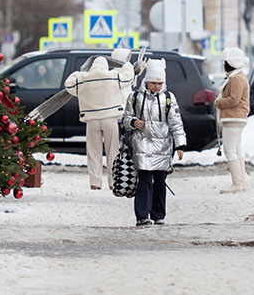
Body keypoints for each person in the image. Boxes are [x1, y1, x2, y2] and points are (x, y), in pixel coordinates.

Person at [122, 58, 185, 226]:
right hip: (141, 143)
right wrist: (133, 122)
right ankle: (142, 216)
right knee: (144, 179)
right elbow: (125, 118)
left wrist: (180, 145)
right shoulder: (135, 97)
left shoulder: (168, 98)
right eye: (153, 82)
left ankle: (158, 215)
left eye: (160, 83)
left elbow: (176, 122)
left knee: (160, 181)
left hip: (163, 146)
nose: (156, 86)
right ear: (147, 81)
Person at [63, 49, 134, 190]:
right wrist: (126, 64)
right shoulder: (112, 76)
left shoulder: (83, 79)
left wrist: (79, 73)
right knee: (112, 150)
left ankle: (95, 182)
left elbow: (69, 84)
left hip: (91, 120)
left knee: (93, 152)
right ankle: (113, 181)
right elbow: (128, 77)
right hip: (110, 119)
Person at [214, 46, 250, 193]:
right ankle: (240, 181)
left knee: (230, 150)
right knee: (237, 150)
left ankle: (237, 183)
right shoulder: (238, 76)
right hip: (237, 117)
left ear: (231, 63)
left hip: (233, 117)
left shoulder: (236, 78)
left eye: (225, 62)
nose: (223, 65)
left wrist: (218, 102)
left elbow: (234, 100)